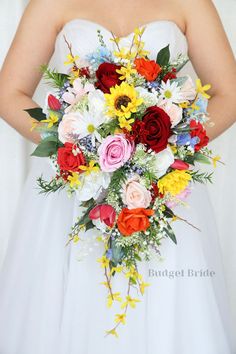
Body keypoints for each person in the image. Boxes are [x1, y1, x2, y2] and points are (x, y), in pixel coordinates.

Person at [0, 0, 235, 353]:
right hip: (73, 190)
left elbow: (229, 95)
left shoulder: (193, 3)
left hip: (161, 189)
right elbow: (8, 94)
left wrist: (171, 143)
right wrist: (74, 144)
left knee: (164, 303)